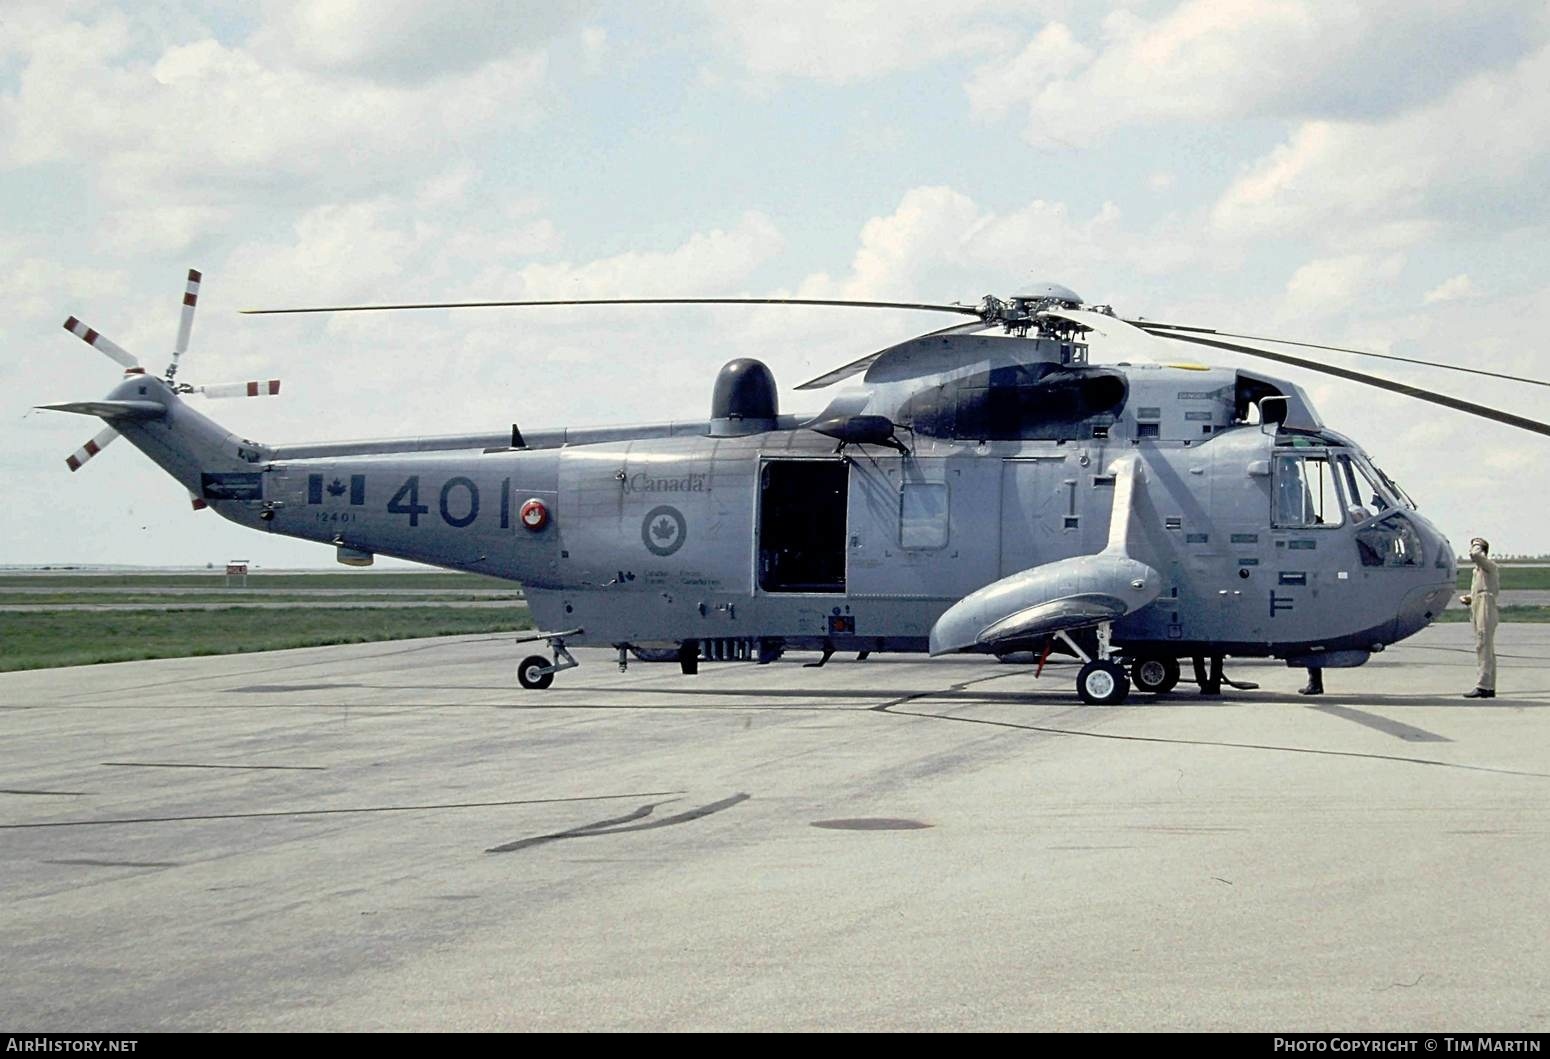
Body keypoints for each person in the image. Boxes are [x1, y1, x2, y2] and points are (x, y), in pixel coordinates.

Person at [1460, 537, 1499, 698]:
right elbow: (1480, 589)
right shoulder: (1478, 571)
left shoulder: (1489, 565)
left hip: (1486, 605)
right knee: (1484, 646)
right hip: (1479, 603)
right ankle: (1488, 686)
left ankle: (1483, 685)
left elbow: (1476, 555)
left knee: (1484, 644)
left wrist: (1478, 545)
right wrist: (1469, 598)